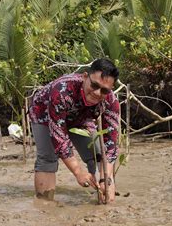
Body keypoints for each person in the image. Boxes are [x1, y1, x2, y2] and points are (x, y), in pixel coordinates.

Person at [29, 58, 120, 202]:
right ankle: (44, 204)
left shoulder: (111, 102)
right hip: (44, 114)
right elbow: (59, 139)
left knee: (96, 154)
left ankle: (102, 197)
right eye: (94, 85)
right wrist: (78, 172)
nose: (97, 93)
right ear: (85, 77)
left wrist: (106, 179)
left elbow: (110, 146)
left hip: (80, 118)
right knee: (48, 158)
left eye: (104, 90)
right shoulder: (62, 90)